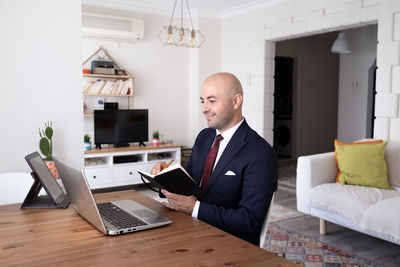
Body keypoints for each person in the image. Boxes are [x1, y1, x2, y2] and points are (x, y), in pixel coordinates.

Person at [151, 72, 278, 246]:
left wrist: (194, 208)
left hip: (229, 243)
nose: (204, 108)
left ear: (236, 101)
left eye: (211, 101)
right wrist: (165, 177)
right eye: (202, 101)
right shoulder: (204, 137)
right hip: (191, 228)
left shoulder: (261, 153)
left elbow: (250, 220)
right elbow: (187, 185)